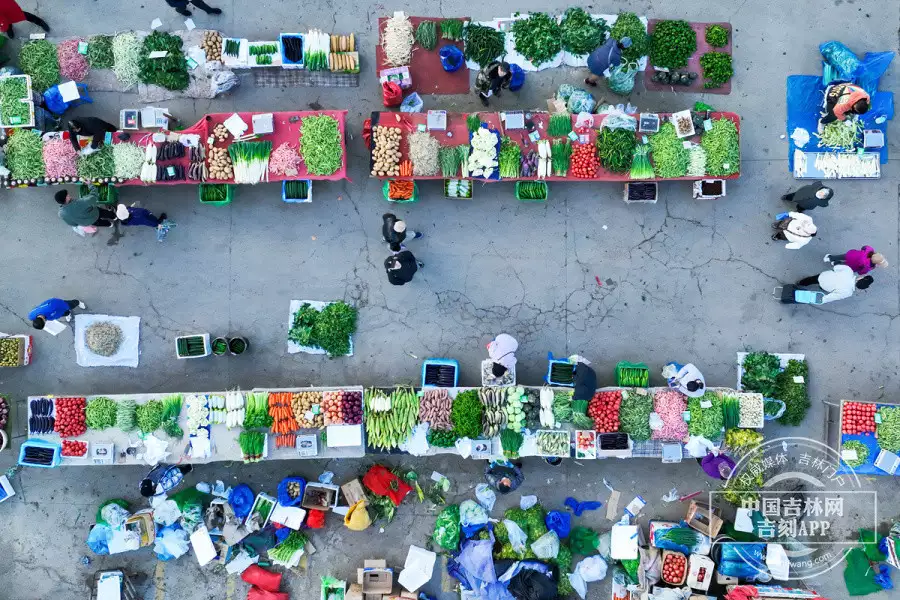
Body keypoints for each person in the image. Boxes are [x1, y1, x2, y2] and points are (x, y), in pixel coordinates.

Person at [781, 264, 873, 304]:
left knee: (811, 279)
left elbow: (836, 267)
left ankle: (801, 283)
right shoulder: (848, 293)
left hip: (823, 277)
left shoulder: (848, 271)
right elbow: (833, 296)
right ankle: (816, 288)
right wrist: (822, 300)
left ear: (861, 278)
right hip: (826, 287)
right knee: (824, 288)